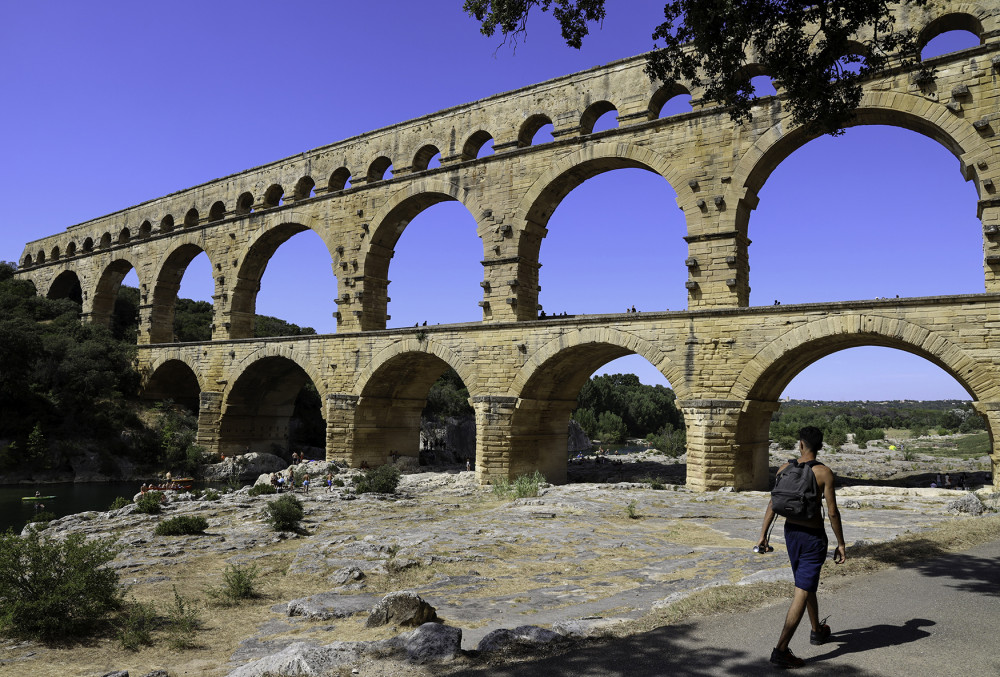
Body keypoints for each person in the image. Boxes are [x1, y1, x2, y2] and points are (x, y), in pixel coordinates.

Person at [757, 426, 847, 668]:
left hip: (790, 534)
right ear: (819, 447)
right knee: (802, 589)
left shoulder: (784, 469)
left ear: (800, 445)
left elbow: (772, 502)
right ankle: (781, 650)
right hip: (812, 537)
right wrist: (840, 543)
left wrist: (763, 535)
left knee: (805, 584)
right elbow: (832, 513)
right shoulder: (824, 473)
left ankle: (817, 630)